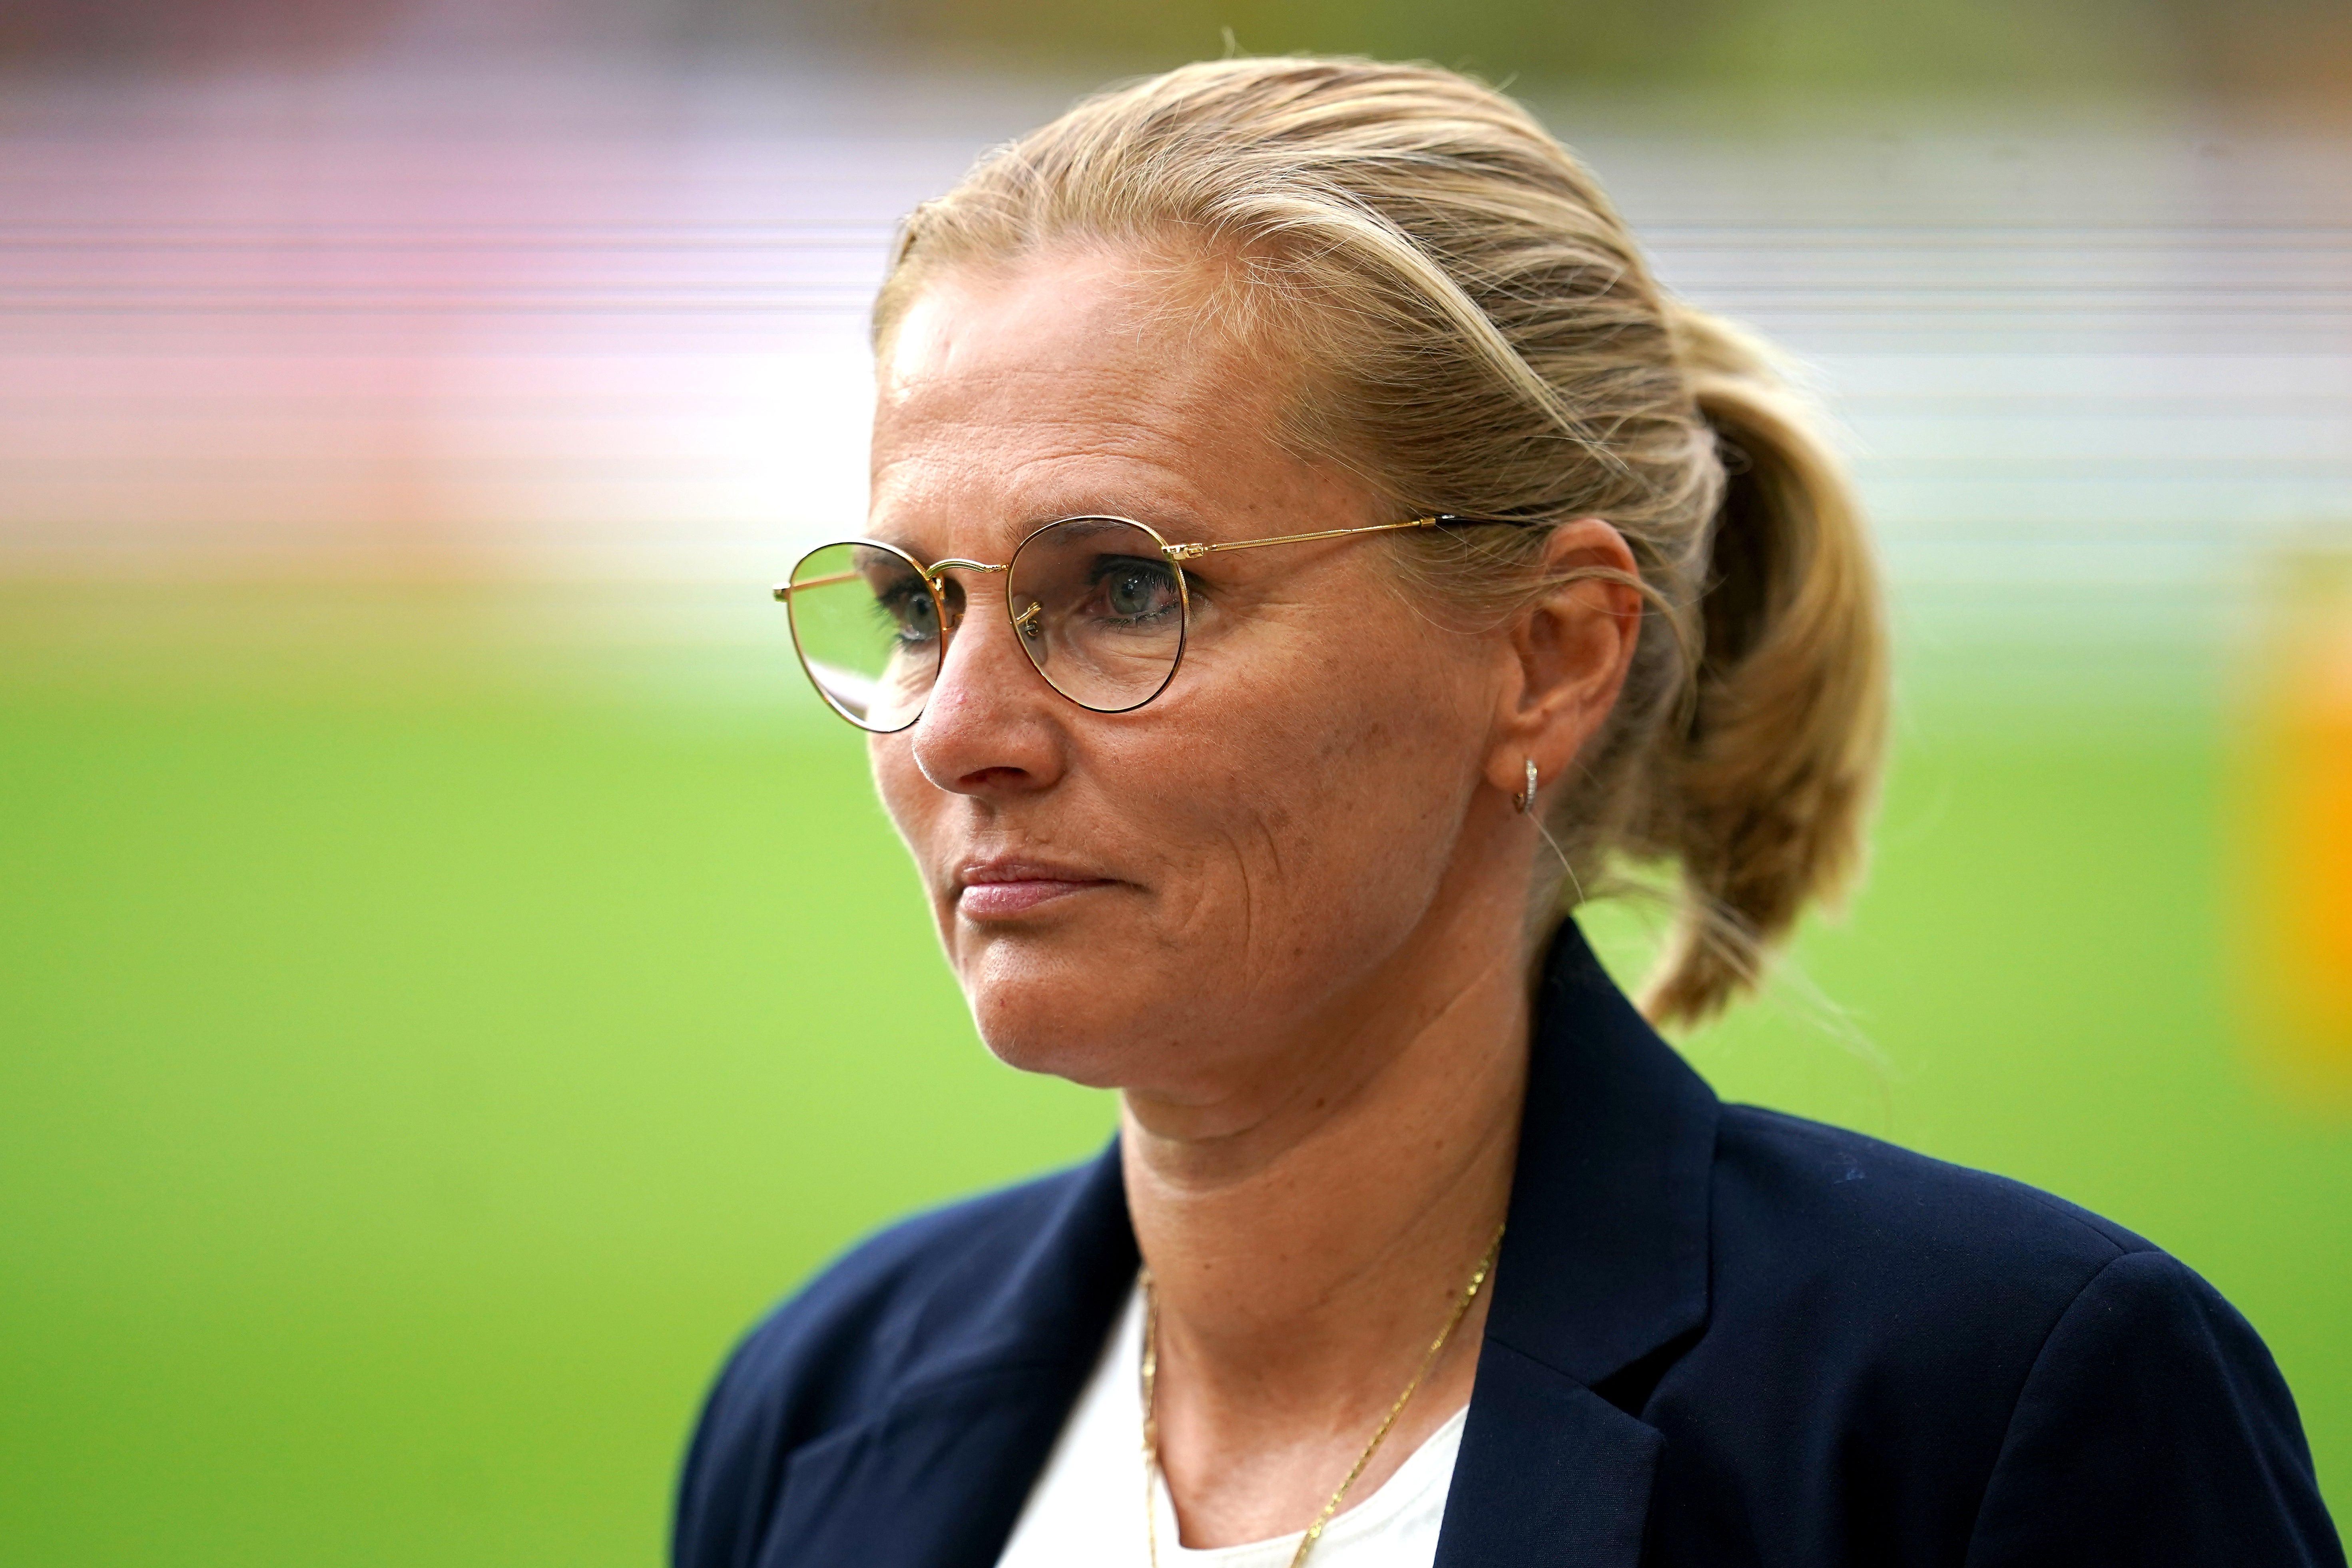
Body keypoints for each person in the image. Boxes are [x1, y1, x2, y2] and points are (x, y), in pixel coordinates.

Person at [675, 56, 2343, 1568]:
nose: (960, 731)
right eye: (915, 602)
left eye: (1119, 586)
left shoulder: (1982, 1418)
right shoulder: (819, 1401)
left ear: (1548, 655)